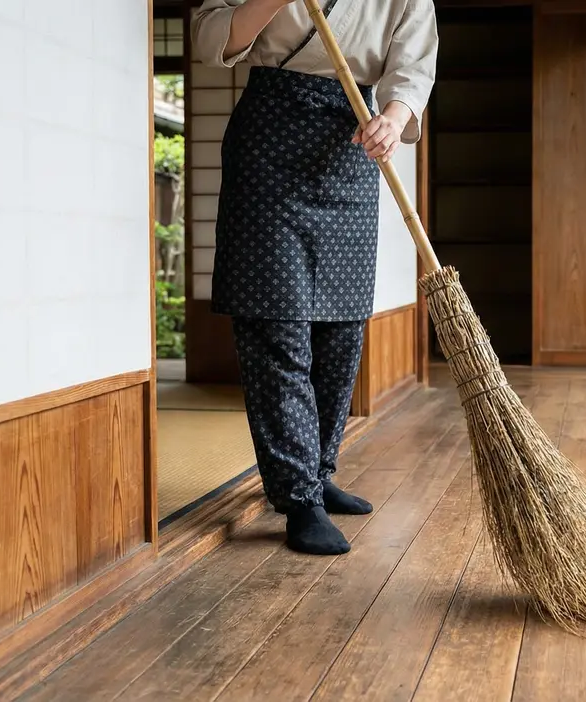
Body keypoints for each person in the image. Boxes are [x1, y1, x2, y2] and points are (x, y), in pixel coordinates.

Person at [191, 0, 437, 556]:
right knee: (276, 322)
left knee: (342, 324)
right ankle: (298, 497)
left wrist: (393, 121)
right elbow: (208, 38)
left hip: (353, 138)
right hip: (269, 142)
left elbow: (413, 64)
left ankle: (320, 471)